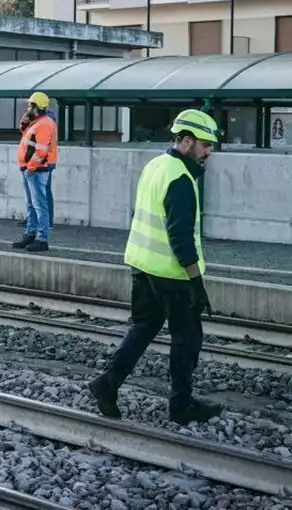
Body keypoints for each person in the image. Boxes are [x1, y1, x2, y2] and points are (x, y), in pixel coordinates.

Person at [88, 109, 223, 426]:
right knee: (186, 340)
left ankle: (107, 383)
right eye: (205, 144)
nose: (209, 151)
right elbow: (180, 236)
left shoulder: (155, 166)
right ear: (187, 141)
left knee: (143, 328)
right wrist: (196, 283)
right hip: (171, 275)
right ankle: (181, 406)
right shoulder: (180, 178)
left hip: (142, 266)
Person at [11, 92, 58, 252]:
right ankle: (30, 235)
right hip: (31, 169)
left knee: (39, 206)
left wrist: (30, 168)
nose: (28, 107)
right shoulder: (37, 122)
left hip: (37, 170)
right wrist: (26, 118)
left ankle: (42, 239)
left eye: (31, 105)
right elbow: (24, 132)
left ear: (37, 106)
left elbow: (42, 151)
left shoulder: (44, 124)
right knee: (31, 205)